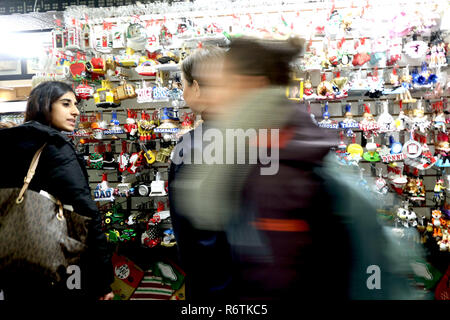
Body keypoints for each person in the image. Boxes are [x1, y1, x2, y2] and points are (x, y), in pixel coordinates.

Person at [171, 36, 423, 300]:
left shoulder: (277, 154)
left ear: (251, 83)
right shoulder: (286, 142)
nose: (219, 94)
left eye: (226, 83)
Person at [0, 81, 114, 300]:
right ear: (44, 106)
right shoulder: (55, 147)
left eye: (76, 104)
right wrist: (102, 280)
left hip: (11, 263)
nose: (75, 111)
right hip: (56, 268)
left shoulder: (6, 144)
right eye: (66, 103)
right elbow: (86, 213)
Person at [169, 46, 234, 301]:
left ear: (196, 86)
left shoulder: (190, 147)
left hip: (213, 280)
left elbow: (187, 229)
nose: (183, 92)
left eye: (183, 84)